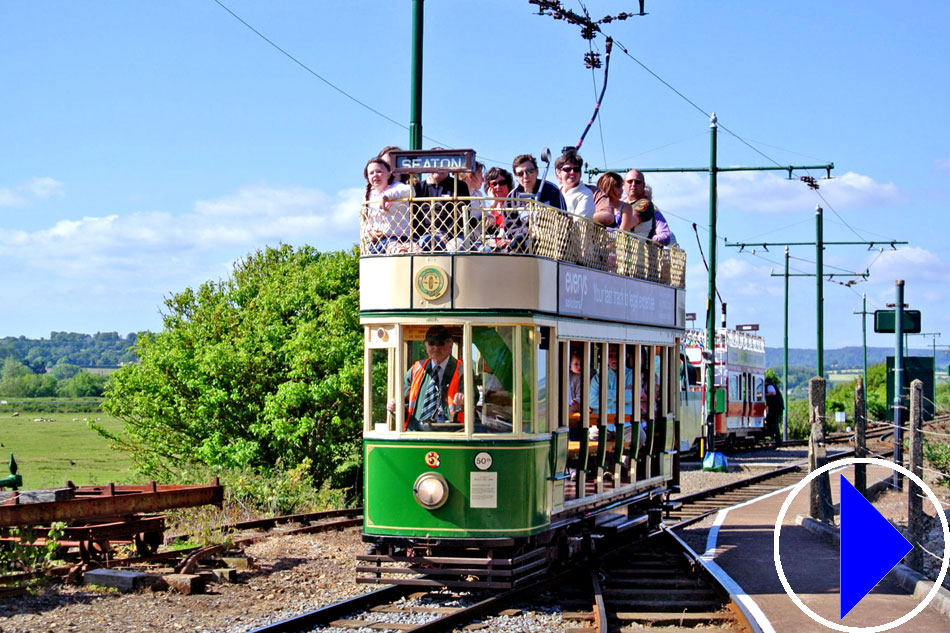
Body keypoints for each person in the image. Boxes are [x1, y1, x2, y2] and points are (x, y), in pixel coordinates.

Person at [389, 325, 465, 431]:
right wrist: (395, 407)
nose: (436, 347)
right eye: (431, 343)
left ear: (450, 345)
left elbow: (474, 401)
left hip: (452, 435)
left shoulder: (462, 370)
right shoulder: (415, 370)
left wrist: (464, 400)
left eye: (441, 343)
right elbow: (403, 405)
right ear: (426, 345)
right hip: (417, 435)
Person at [412, 150, 471, 251]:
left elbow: (463, 214)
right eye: (434, 162)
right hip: (424, 235)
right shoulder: (419, 187)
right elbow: (413, 216)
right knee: (425, 244)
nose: (438, 167)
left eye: (442, 162)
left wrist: (447, 236)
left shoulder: (460, 186)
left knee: (457, 247)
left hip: (454, 236)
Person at [588, 346, 637, 446]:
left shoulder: (632, 375)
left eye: (617, 356)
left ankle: (626, 461)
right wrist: (621, 396)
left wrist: (605, 393)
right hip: (602, 425)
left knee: (639, 437)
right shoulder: (598, 378)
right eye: (610, 356)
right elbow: (592, 402)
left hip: (627, 425)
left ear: (625, 356)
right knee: (590, 439)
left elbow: (632, 396)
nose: (614, 359)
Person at [363, 157, 412, 254]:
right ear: (368, 177)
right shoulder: (368, 195)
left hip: (404, 237)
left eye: (379, 171)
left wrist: (386, 196)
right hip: (383, 240)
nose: (375, 175)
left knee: (416, 251)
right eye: (371, 173)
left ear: (388, 174)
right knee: (399, 251)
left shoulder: (397, 187)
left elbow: (410, 191)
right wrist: (370, 233)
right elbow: (366, 221)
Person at [557, 150, 614, 226]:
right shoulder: (555, 191)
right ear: (559, 172)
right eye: (567, 169)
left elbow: (580, 223)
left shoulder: (586, 193)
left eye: (576, 169)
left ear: (580, 173)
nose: (572, 172)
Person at [482, 167, 514, 251]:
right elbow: (482, 233)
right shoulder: (486, 210)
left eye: (502, 183)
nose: (498, 187)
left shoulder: (515, 208)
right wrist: (493, 204)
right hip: (490, 251)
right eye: (494, 184)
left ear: (508, 185)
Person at [622, 169, 656, 240]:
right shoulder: (622, 202)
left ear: (643, 185)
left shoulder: (645, 203)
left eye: (637, 182)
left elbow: (627, 224)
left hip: (639, 250)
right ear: (624, 184)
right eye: (630, 181)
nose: (633, 184)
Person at [764, 376, 784, 446]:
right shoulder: (772, 385)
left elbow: (773, 393)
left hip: (775, 408)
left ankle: (777, 440)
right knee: (774, 423)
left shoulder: (769, 386)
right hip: (777, 408)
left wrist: (764, 395)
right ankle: (776, 439)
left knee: (773, 423)